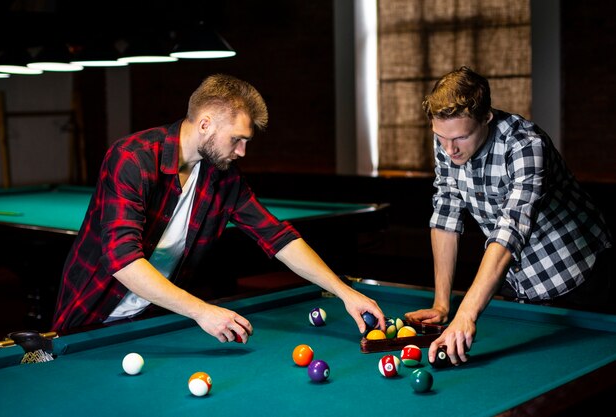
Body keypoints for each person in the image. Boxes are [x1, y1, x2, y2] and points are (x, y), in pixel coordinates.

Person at [52, 73, 385, 341]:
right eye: (237, 139)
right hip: (89, 317)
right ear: (205, 124)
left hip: (151, 321)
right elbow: (122, 261)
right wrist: (202, 311)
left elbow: (278, 236)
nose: (242, 152)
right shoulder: (132, 158)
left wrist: (343, 291)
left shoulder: (222, 177)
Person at [404, 66, 613, 366]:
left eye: (460, 137)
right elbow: (446, 213)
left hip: (577, 277)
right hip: (516, 281)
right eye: (440, 137)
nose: (449, 149)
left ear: (486, 118)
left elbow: (510, 229)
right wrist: (442, 303)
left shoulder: (526, 145)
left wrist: (465, 313)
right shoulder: (448, 142)